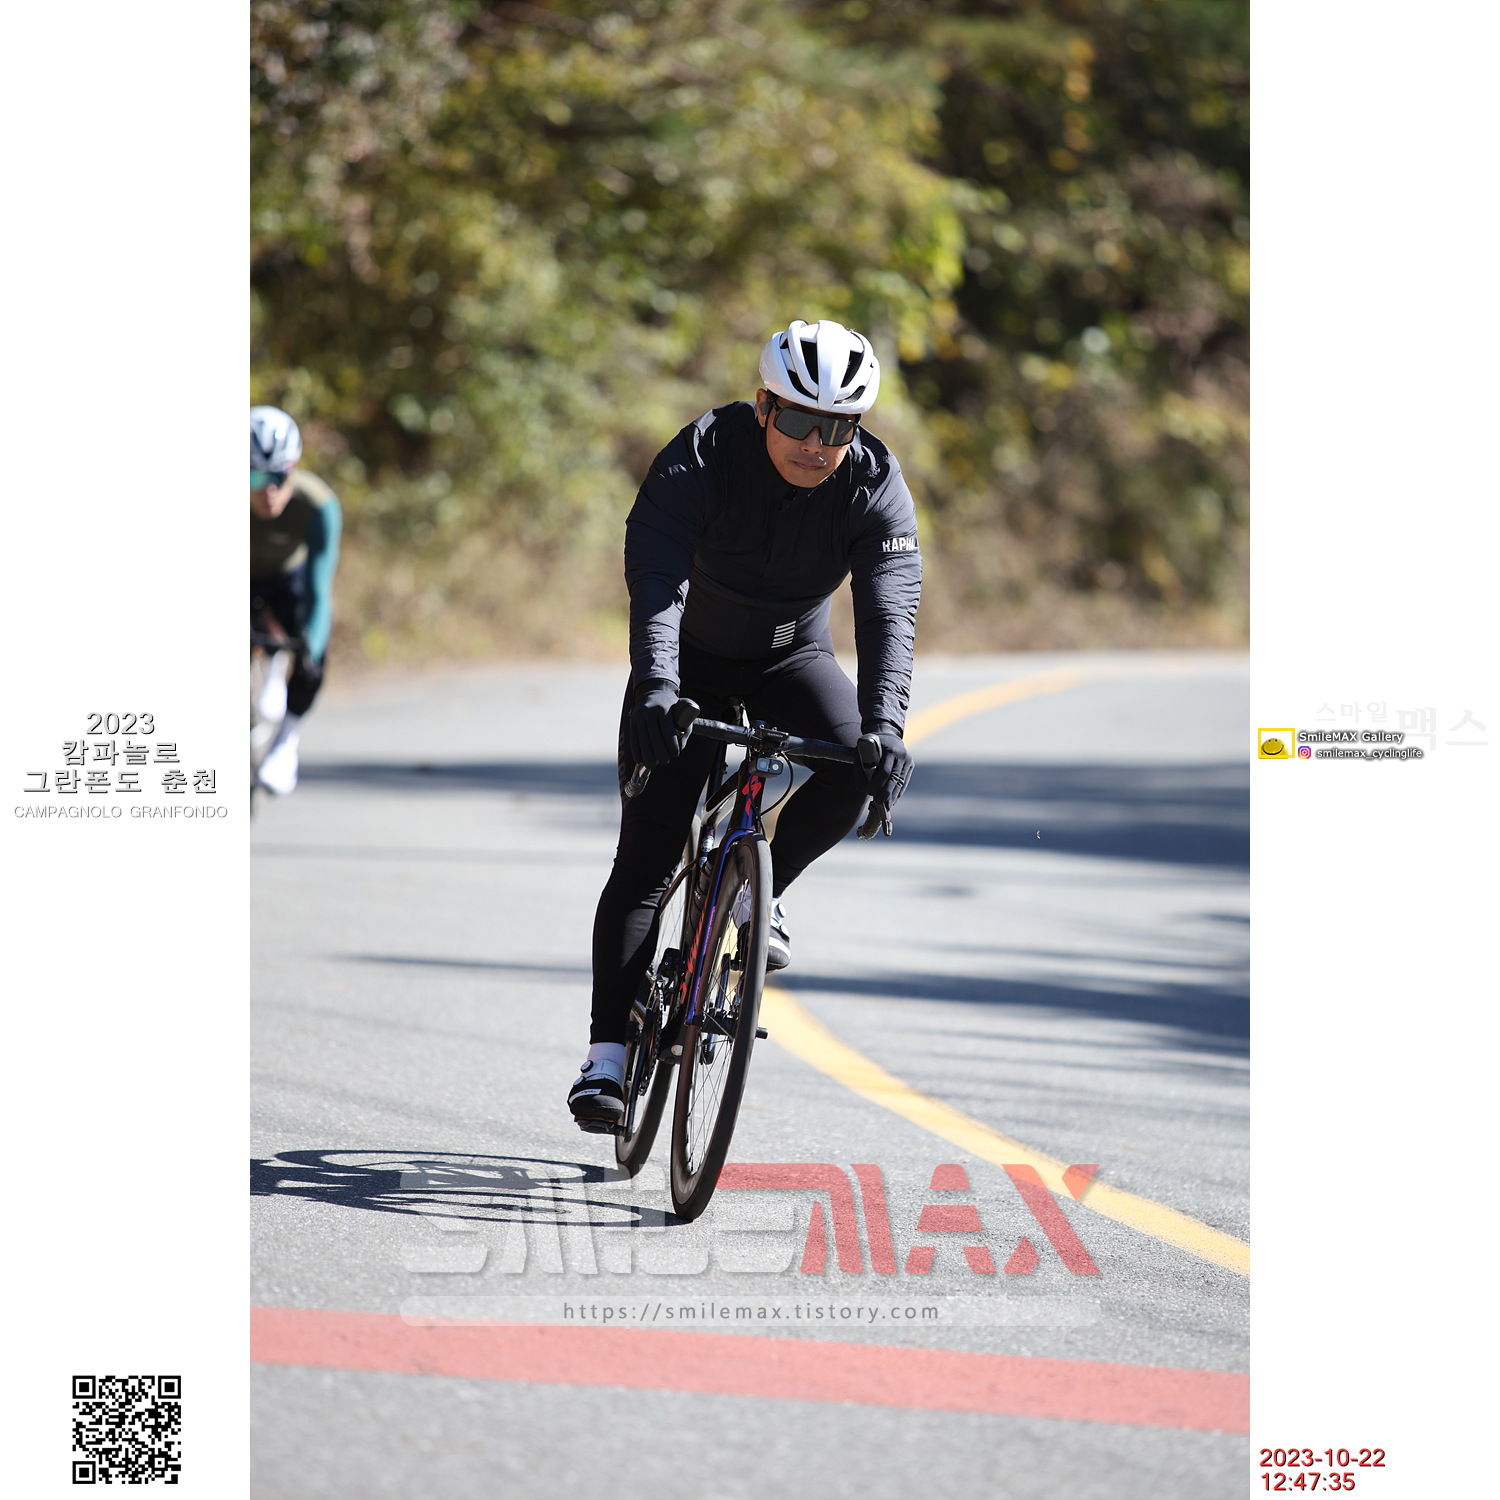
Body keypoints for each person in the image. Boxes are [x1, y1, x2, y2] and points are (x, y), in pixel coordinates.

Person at [569, 319, 921, 1129]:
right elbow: (657, 579)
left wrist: (887, 724)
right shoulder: (702, 455)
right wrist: (657, 686)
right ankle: (606, 1058)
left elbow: (889, 612)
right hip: (687, 665)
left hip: (790, 658)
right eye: (798, 420)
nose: (817, 445)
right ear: (764, 407)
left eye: (839, 428)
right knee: (648, 856)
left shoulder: (873, 484)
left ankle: (759, 894)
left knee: (854, 765)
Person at [250, 406, 342, 795]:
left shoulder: (318, 504)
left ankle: (286, 742)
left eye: (279, 476)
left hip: (290, 579)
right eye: (254, 476)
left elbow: (320, 590)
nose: (268, 490)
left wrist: (310, 647)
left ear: (295, 469)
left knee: (311, 661)